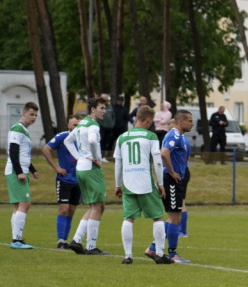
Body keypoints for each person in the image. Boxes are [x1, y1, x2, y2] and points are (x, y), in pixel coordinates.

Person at [114, 105, 173, 265]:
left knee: (128, 218)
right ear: (147, 120)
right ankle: (160, 254)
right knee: (158, 217)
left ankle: (128, 256)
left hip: (128, 182)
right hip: (145, 182)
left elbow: (118, 164)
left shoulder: (122, 137)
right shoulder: (151, 136)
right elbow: (157, 162)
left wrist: (117, 185)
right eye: (150, 121)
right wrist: (160, 183)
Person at [68, 96, 111, 255]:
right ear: (93, 109)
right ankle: (91, 246)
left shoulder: (81, 124)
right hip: (91, 168)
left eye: (105, 108)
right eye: (102, 108)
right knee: (98, 206)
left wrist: (79, 156)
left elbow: (68, 141)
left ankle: (77, 240)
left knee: (95, 206)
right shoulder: (93, 125)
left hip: (81, 168)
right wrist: (96, 158)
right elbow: (93, 141)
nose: (104, 111)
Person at [153, 110, 194, 263]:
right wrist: (172, 172)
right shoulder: (173, 134)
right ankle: (172, 254)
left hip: (177, 181)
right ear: (181, 121)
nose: (192, 123)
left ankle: (152, 248)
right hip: (171, 180)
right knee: (174, 217)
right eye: (190, 121)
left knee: (174, 217)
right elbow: (164, 153)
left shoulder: (181, 137)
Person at [42, 114, 83, 249]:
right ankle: (60, 241)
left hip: (78, 180)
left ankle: (65, 240)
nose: (77, 127)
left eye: (79, 124)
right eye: (74, 125)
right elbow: (46, 149)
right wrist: (57, 167)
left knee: (71, 210)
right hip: (64, 179)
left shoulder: (83, 138)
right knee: (63, 209)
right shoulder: (62, 136)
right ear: (68, 125)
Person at [5, 102, 40, 249]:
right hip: (15, 170)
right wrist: (19, 171)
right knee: (25, 203)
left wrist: (32, 170)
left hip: (19, 169)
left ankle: (16, 238)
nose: (33, 118)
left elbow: (23, 154)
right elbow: (13, 152)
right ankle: (16, 240)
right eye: (31, 114)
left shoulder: (23, 130)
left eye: (36, 115)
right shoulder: (17, 129)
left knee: (18, 205)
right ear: (23, 113)